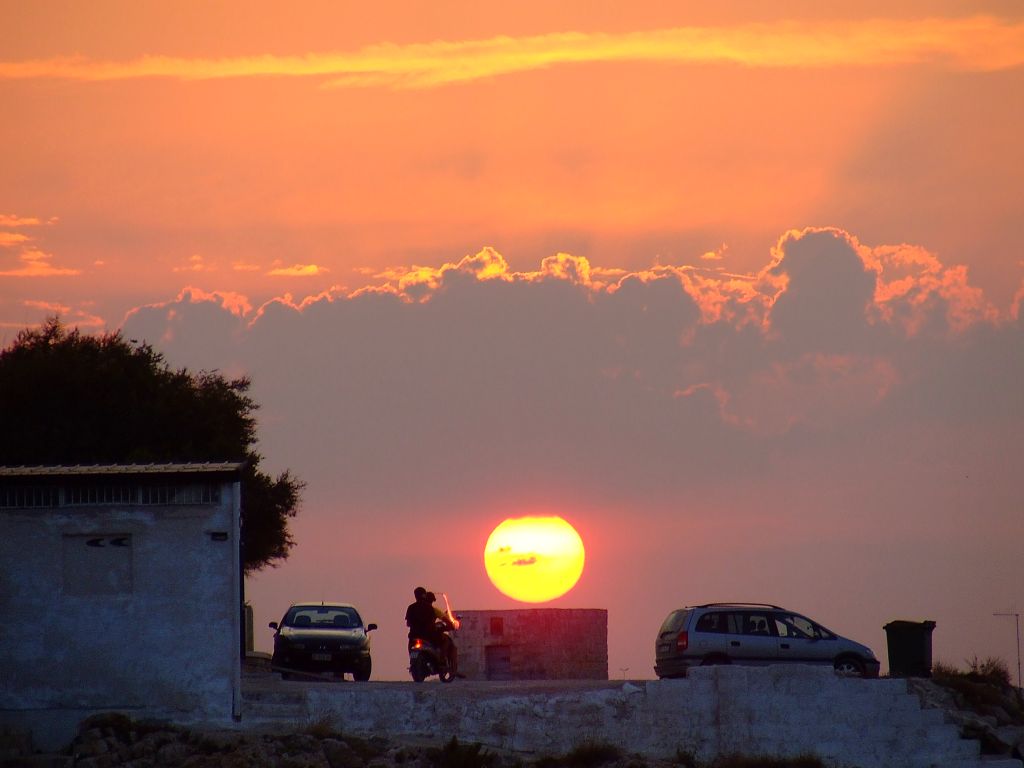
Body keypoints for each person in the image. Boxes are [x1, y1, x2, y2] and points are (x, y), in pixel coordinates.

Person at [405, 587, 459, 676]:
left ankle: (414, 663)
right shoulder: (431, 609)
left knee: (411, 646)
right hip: (429, 636)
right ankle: (441, 661)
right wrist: (450, 625)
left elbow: (408, 623)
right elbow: (446, 620)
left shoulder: (411, 607)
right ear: (424, 595)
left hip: (414, 636)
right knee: (445, 640)